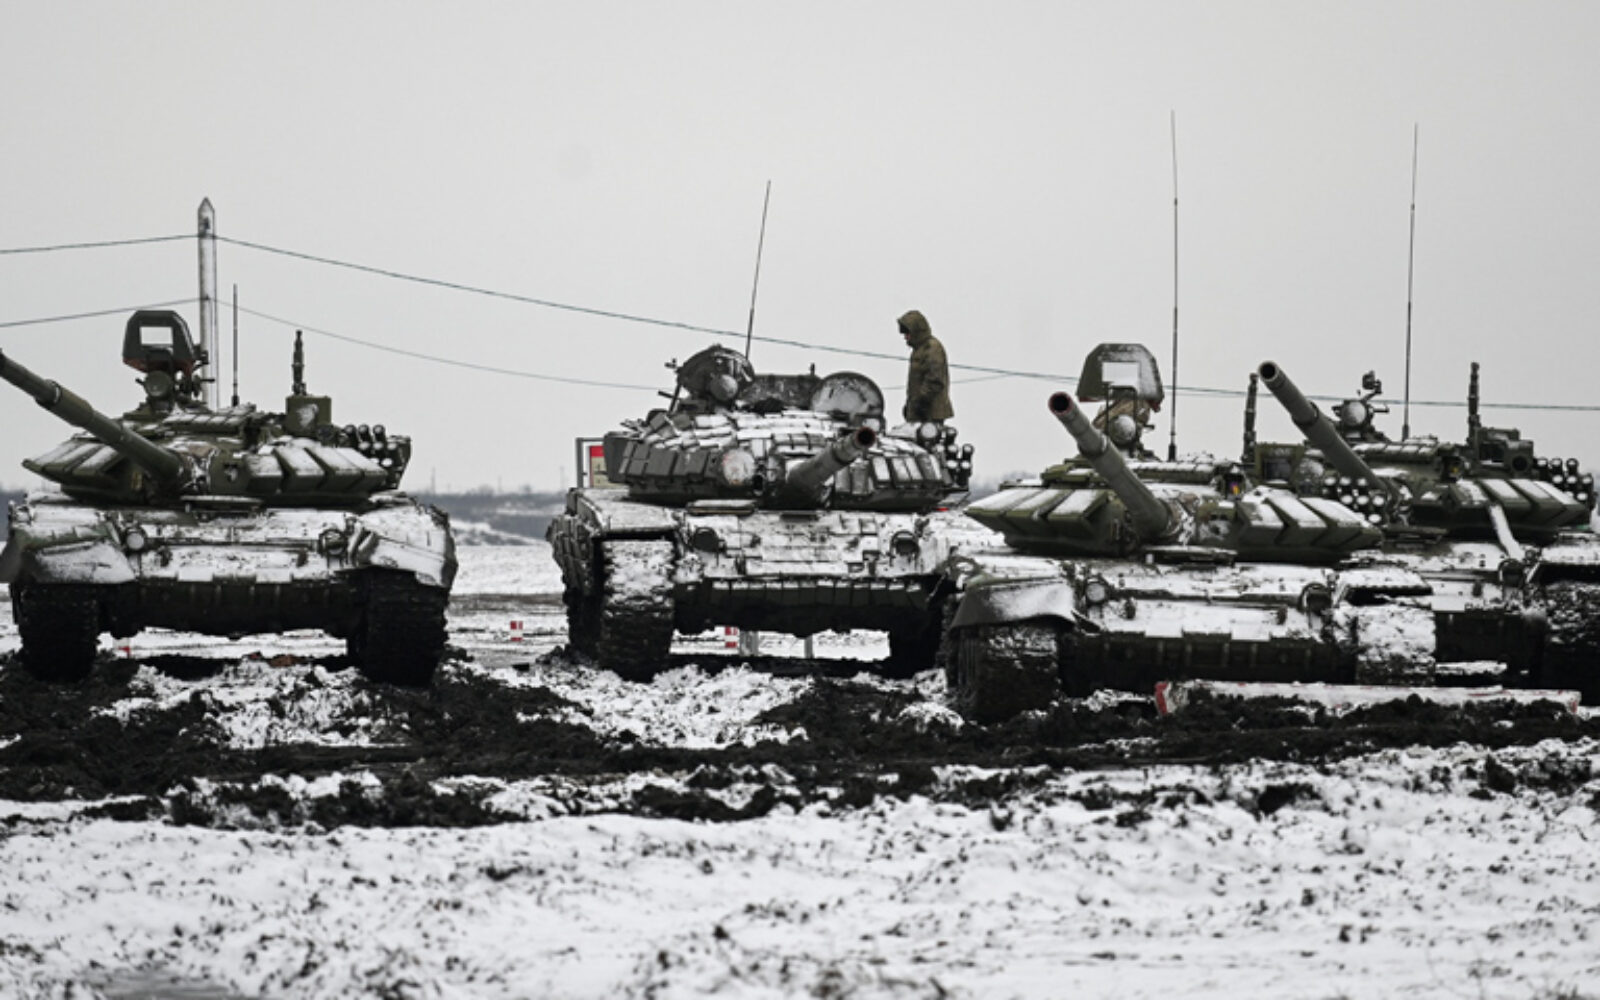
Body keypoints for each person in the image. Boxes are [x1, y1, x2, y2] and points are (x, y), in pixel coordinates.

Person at [897, 309, 953, 423]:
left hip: (931, 413)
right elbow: (916, 383)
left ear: (916, 331)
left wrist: (920, 402)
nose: (905, 337)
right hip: (920, 411)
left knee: (928, 433)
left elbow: (935, 380)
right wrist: (910, 405)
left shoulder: (932, 348)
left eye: (907, 333)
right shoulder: (919, 349)